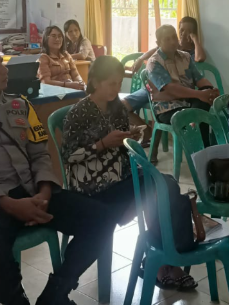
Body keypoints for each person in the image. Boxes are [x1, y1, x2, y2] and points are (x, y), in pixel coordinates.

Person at [0, 43, 116, 305]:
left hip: (32, 191)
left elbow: (40, 154)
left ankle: (55, 294)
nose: (4, 70)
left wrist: (45, 192)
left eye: (2, 63)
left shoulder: (21, 105)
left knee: (102, 218)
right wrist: (10, 204)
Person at [61, 55, 198, 290]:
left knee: (167, 186)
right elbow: (69, 156)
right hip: (93, 187)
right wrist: (102, 144)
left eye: (118, 83)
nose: (116, 89)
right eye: (110, 84)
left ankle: (164, 260)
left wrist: (131, 137)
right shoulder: (79, 113)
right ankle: (166, 262)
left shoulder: (117, 109)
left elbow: (123, 149)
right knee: (162, 189)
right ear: (95, 82)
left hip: (122, 177)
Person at [121, 17, 207, 145]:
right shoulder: (161, 54)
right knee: (122, 105)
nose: (183, 34)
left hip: (181, 92)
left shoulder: (188, 53)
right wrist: (140, 59)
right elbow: (156, 51)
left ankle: (200, 141)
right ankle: (147, 132)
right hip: (156, 88)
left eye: (188, 31)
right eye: (181, 30)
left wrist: (194, 40)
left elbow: (200, 59)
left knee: (204, 101)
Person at [146, 24, 218, 147]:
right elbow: (170, 89)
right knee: (200, 114)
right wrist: (199, 94)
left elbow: (199, 79)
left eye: (174, 37)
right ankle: (203, 149)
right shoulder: (154, 62)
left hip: (190, 103)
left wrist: (211, 91)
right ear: (158, 43)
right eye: (167, 39)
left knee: (206, 95)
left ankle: (198, 134)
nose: (173, 42)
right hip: (167, 108)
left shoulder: (185, 57)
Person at [38, 26, 85, 91]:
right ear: (46, 38)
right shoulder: (43, 58)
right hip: (55, 92)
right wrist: (67, 85)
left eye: (60, 36)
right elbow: (45, 82)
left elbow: (76, 75)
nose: (57, 39)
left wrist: (80, 83)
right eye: (53, 36)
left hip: (71, 90)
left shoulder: (66, 55)